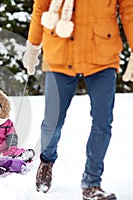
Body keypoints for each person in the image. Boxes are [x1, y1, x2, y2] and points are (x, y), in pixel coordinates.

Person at [22, 0, 133, 199]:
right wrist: (33, 46)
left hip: (102, 54)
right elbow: (41, 7)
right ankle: (46, 161)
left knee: (102, 123)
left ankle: (91, 183)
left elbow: (129, 10)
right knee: (52, 122)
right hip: (60, 53)